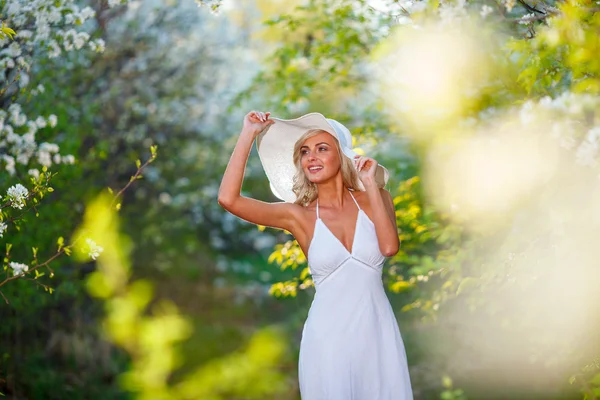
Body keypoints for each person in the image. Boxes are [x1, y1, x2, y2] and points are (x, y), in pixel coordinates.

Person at [218, 110, 413, 400]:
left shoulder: (377, 196)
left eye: (322, 149)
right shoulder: (298, 215)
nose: (311, 157)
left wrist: (370, 183)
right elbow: (228, 199)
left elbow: (389, 247)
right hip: (327, 339)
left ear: (341, 155)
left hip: (377, 333)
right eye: (305, 152)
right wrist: (248, 133)